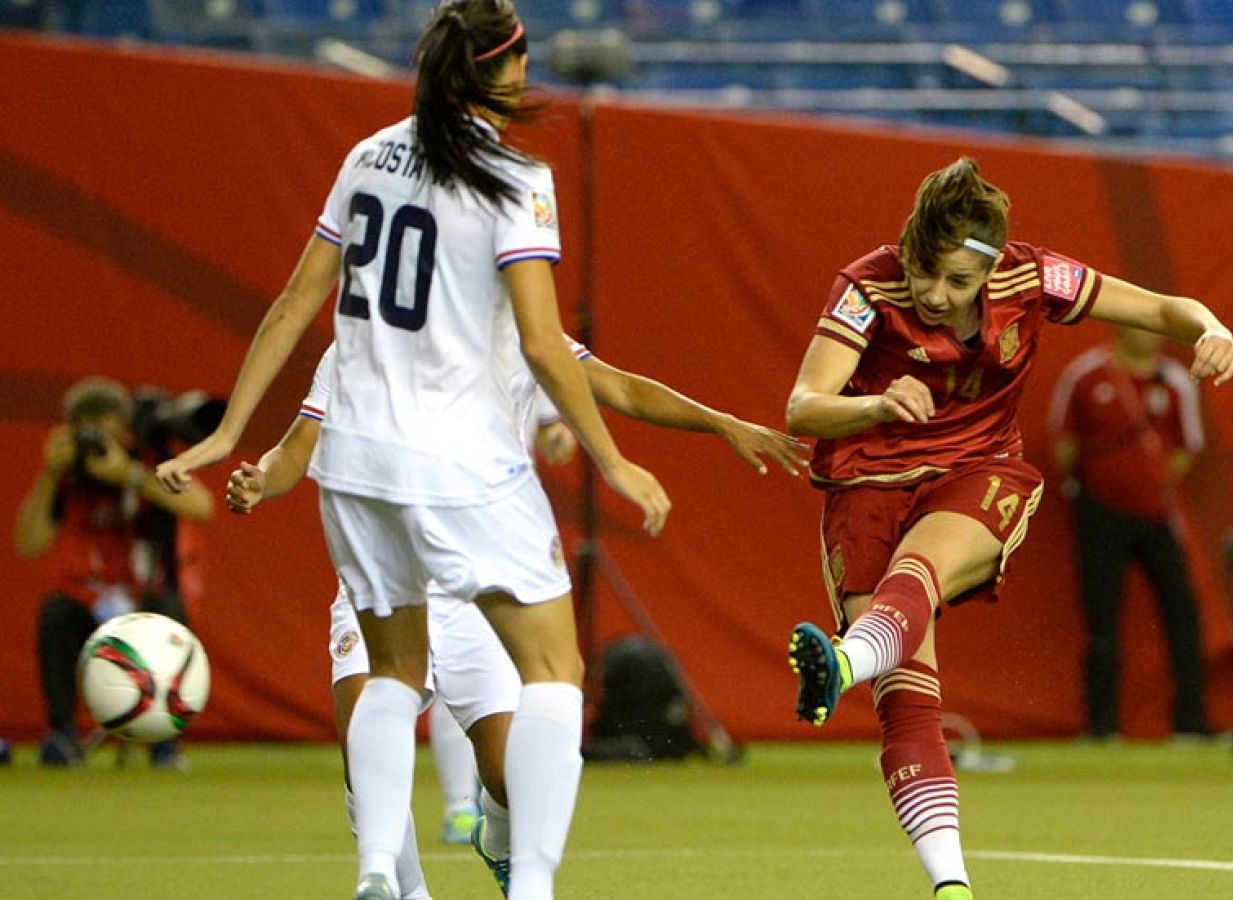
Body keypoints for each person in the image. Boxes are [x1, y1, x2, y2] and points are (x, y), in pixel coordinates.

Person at [153, 3, 671, 897]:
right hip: (459, 462)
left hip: (353, 459)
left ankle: (374, 876)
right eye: (520, 61)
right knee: (553, 669)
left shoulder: (367, 157)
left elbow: (291, 305)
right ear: (499, 71)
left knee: (390, 672)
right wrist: (615, 461)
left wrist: (228, 432)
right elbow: (545, 347)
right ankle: (534, 886)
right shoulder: (517, 177)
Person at [782, 157, 1233, 900]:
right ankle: (953, 886)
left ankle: (841, 664)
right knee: (907, 702)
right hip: (867, 483)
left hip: (978, 468)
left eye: (957, 284)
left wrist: (1213, 325)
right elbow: (803, 406)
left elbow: (1162, 310)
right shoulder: (868, 286)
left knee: (919, 573)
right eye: (927, 272)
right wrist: (872, 406)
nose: (936, 295)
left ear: (990, 273)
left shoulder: (1035, 279)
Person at [225, 338, 802, 898]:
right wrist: (263, 480)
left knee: (507, 777)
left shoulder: (519, 328)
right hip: (385, 573)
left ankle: (500, 844)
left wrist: (721, 421)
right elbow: (301, 441)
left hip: (480, 587)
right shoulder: (364, 340)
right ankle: (406, 892)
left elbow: (619, 388)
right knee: (363, 744)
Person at [14, 376, 214, 769]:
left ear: (125, 430)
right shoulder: (68, 479)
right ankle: (63, 735)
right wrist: (50, 473)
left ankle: (165, 743)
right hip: (92, 599)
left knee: (168, 614)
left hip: (145, 599)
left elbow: (202, 507)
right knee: (56, 612)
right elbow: (28, 542)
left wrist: (128, 475)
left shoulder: (147, 462)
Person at [1048, 325, 1212, 742]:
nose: (1151, 337)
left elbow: (1185, 447)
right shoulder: (1085, 374)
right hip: (1100, 515)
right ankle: (1103, 726)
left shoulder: (1176, 380)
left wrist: (1150, 485)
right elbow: (1064, 440)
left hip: (1157, 513)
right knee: (1101, 617)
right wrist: (1092, 488)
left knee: (1182, 612)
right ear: (1121, 328)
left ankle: (1190, 723)